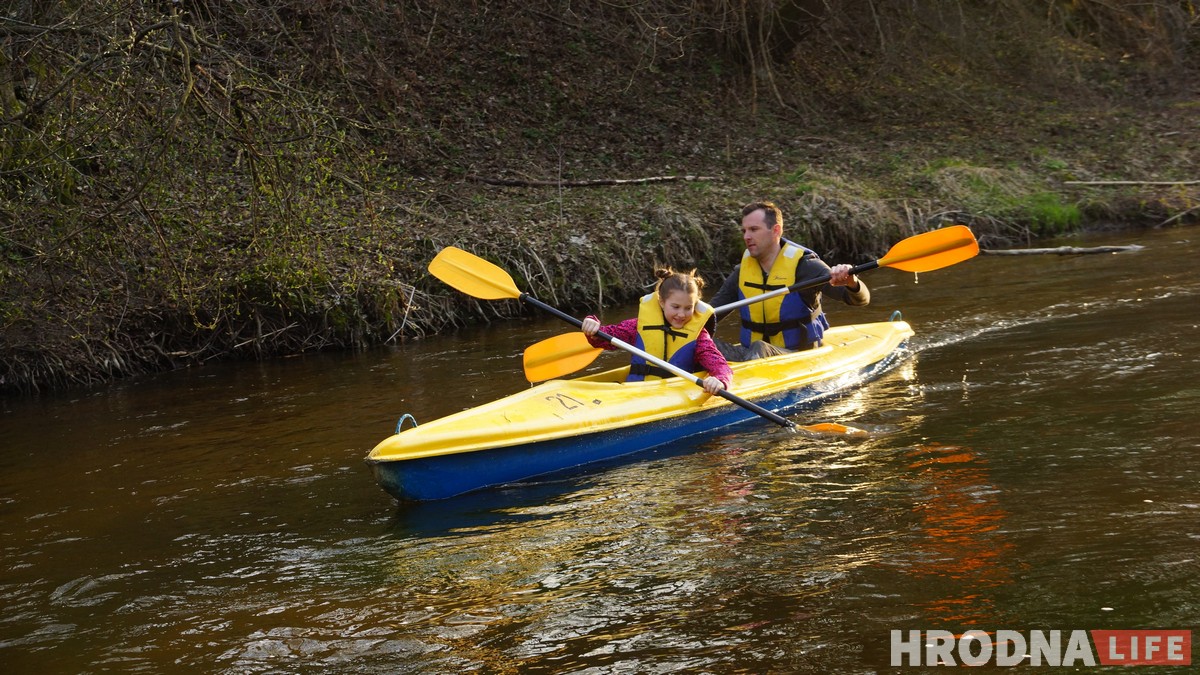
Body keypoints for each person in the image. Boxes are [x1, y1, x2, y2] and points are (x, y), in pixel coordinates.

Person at [708, 201, 870, 361]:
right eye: (744, 231)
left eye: (754, 229)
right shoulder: (742, 271)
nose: (746, 236)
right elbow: (711, 314)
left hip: (798, 355)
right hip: (750, 354)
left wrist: (851, 282)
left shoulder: (805, 267)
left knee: (760, 347)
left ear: (775, 230)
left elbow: (859, 300)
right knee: (702, 345)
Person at [581, 267, 732, 395]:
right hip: (635, 393)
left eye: (688, 308)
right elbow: (606, 338)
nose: (681, 314)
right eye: (675, 307)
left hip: (675, 395)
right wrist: (592, 327)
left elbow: (720, 365)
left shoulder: (699, 336)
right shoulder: (637, 326)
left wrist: (719, 379)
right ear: (662, 302)